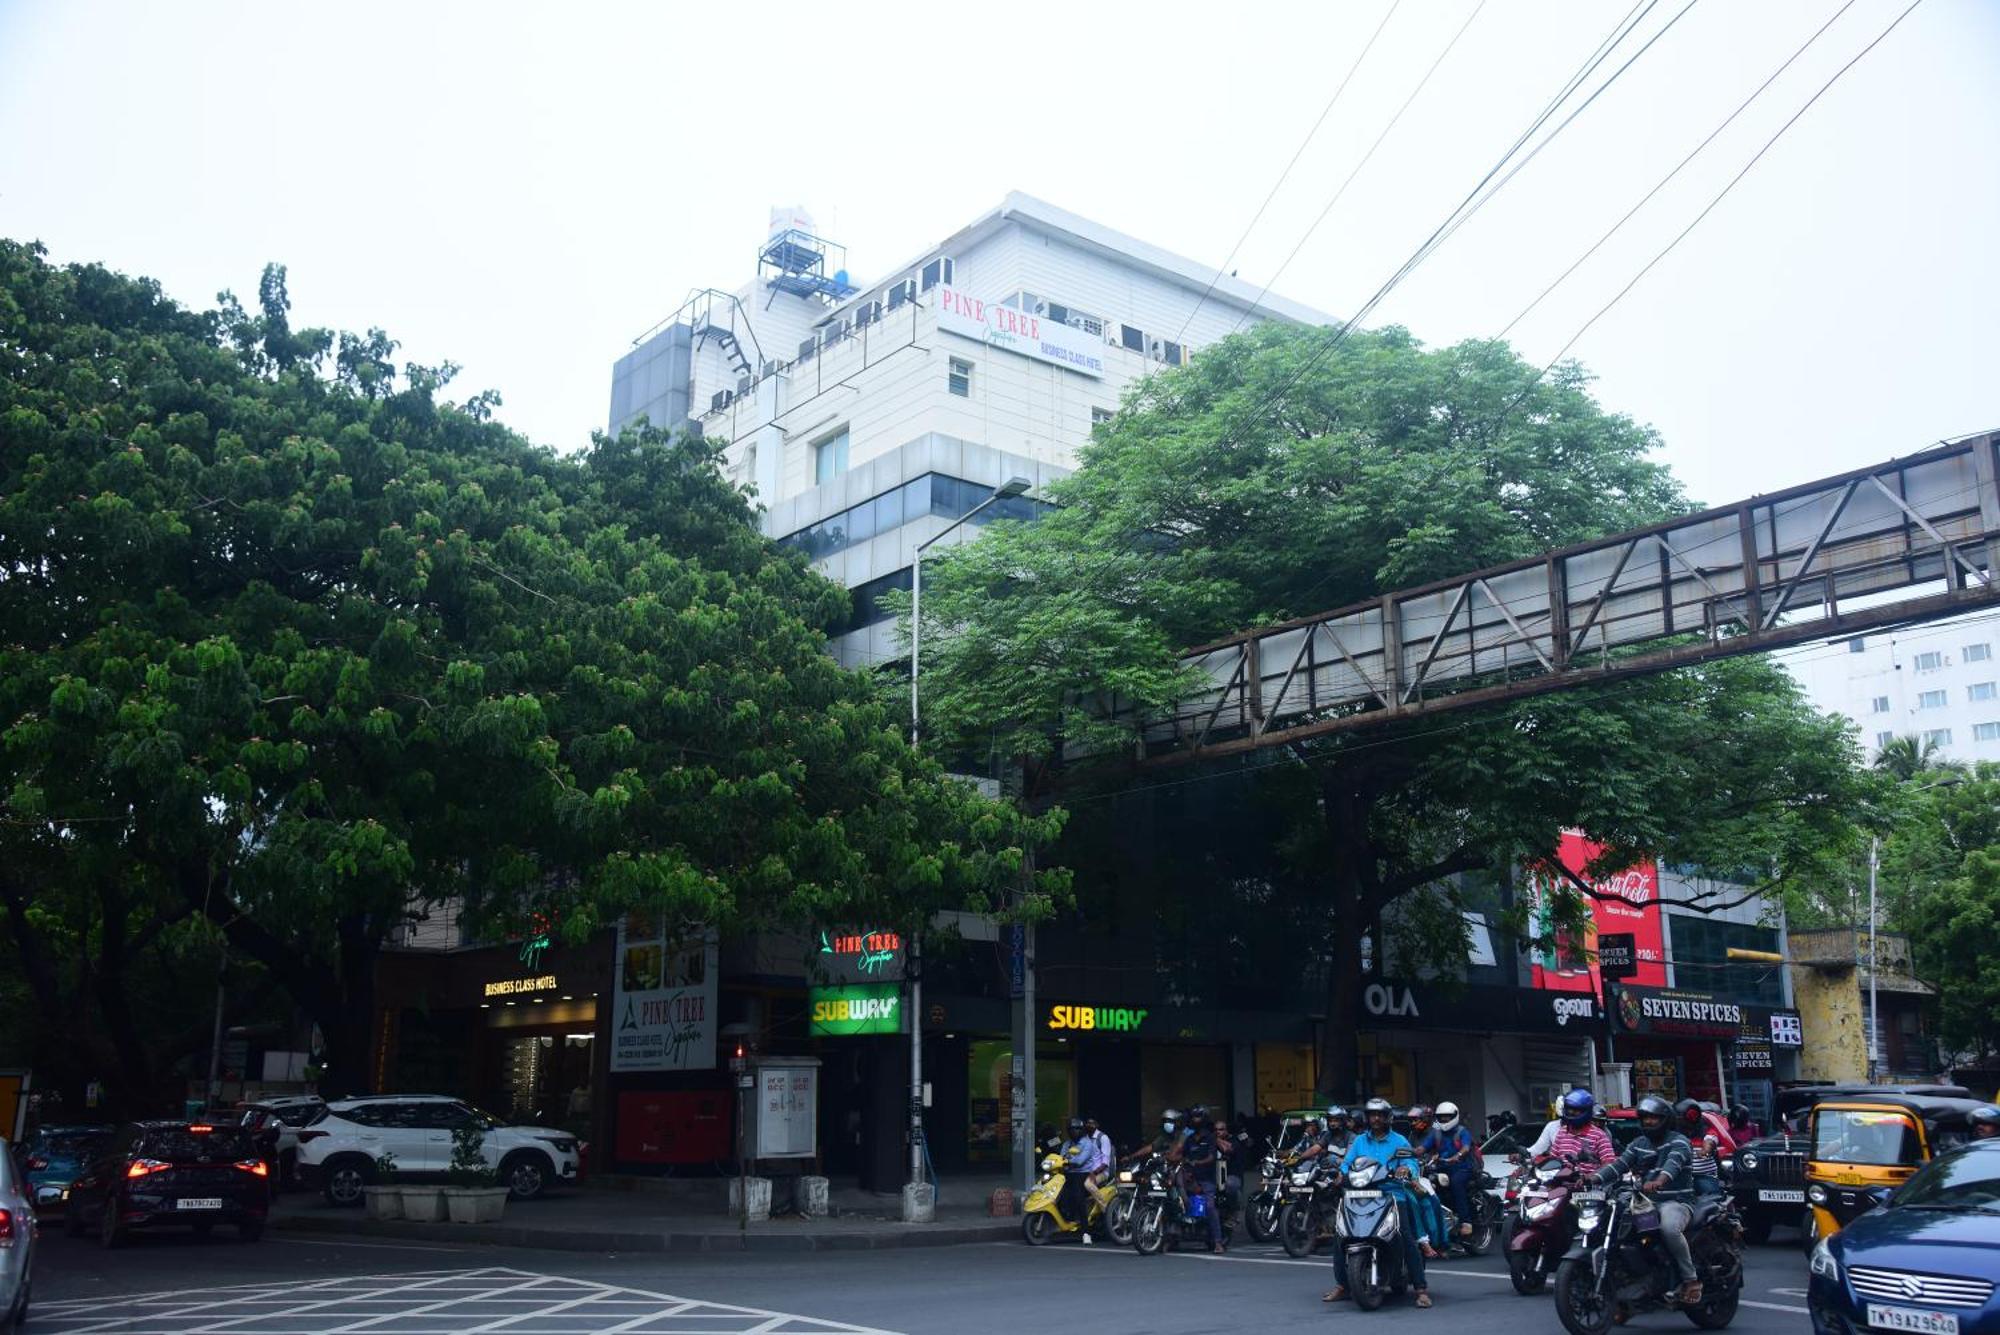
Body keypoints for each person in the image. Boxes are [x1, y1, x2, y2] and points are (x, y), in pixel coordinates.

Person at [1323, 1097, 1431, 1310]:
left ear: (1387, 1117)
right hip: (1359, 1193)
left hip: (1391, 1194)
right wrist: (1339, 1175)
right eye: (1372, 1114)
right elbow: (1346, 1164)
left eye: (1380, 1114)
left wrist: (1406, 1169)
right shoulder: (1360, 1141)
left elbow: (1410, 1162)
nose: (1376, 1118)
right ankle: (1343, 1285)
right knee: (1341, 1236)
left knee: (1405, 1236)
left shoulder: (1399, 1140)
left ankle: (1420, 1289)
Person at [1596, 1095, 1701, 1305]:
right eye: (1645, 1118)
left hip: (1676, 1201)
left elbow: (1673, 1164)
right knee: (1615, 1222)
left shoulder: (1679, 1141)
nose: (1649, 1122)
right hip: (1645, 1201)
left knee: (1669, 1228)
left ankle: (1691, 1280)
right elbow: (1619, 1165)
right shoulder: (1639, 1143)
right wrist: (1592, 1178)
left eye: (1654, 1118)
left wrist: (1660, 1180)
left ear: (1665, 1119)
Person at [1426, 1101, 1480, 1242]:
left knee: (1456, 1183)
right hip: (1443, 1167)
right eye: (1441, 1117)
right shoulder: (1436, 1133)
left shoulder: (1462, 1132)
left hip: (1464, 1168)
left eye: (1447, 1117)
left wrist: (1457, 1156)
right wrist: (1406, 1151)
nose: (1444, 1119)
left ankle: (1465, 1221)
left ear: (1454, 1116)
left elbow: (1466, 1148)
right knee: (1428, 1182)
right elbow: (1422, 1148)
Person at [1182, 1110, 1228, 1253]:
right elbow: (1183, 1157)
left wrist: (1197, 1162)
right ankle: (1170, 1238)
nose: (1195, 1121)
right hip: (1190, 1179)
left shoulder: (1210, 1138)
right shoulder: (1189, 1140)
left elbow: (1211, 1157)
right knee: (1176, 1203)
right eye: (1193, 1118)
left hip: (1207, 1180)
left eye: (1198, 1118)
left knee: (1209, 1207)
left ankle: (1218, 1242)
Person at [1533, 1089, 1616, 1167]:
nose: (1571, 1112)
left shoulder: (1599, 1136)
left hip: (1589, 1181)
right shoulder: (1562, 1133)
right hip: (1562, 1180)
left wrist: (1589, 1177)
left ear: (1585, 1111)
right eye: (1569, 1109)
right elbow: (1553, 1160)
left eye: (1575, 1110)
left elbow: (1609, 1164)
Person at [1406, 1105, 1448, 1257]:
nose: (1413, 1123)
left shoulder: (1436, 1133)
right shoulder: (1412, 1135)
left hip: (1436, 1170)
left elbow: (1443, 1152)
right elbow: (1408, 1152)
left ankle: (1442, 1243)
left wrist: (1435, 1158)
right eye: (1412, 1120)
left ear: (1425, 1119)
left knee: (1434, 1202)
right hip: (1417, 1173)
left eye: (1416, 1120)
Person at [1678, 1099, 1725, 1198]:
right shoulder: (1674, 1136)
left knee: (1711, 1196)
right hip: (1681, 1178)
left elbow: (1710, 1142)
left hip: (1704, 1176)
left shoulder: (1708, 1132)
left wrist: (1705, 1150)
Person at [1056, 1118, 1094, 1238]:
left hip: (1082, 1173)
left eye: (1077, 1129)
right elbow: (1060, 1157)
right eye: (1071, 1129)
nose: (1074, 1131)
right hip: (1067, 1173)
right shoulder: (1067, 1144)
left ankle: (1085, 1230)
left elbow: (1080, 1161)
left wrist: (1068, 1161)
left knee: (1078, 1196)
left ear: (1082, 1130)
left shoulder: (1087, 1144)